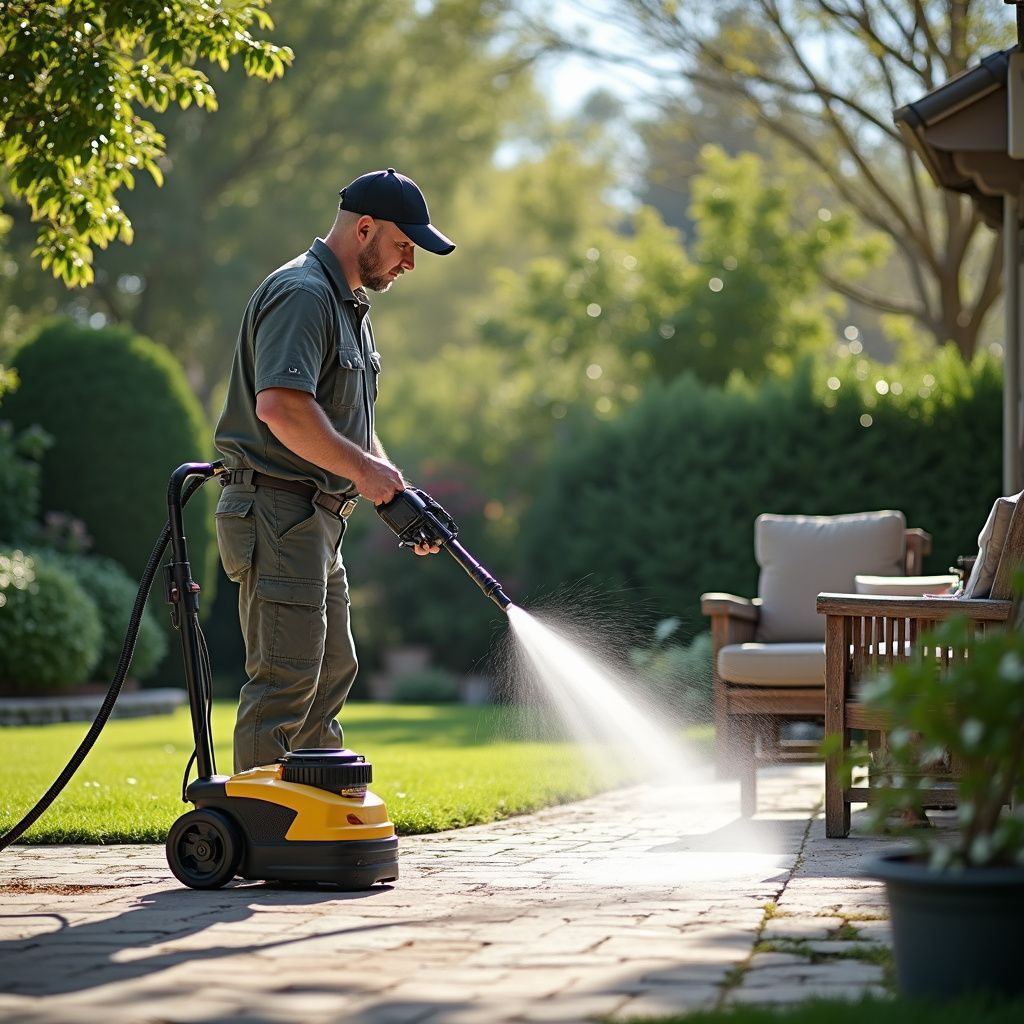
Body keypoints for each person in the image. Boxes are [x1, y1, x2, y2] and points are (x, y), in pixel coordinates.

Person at [213, 168, 454, 773]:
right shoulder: (303, 293)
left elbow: (348, 426)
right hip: (278, 512)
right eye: (405, 246)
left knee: (327, 678)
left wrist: (395, 493)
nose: (410, 263)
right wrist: (368, 475)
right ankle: (264, 833)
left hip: (316, 519)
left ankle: (314, 826)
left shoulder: (350, 306)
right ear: (365, 228)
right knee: (285, 686)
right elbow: (283, 409)